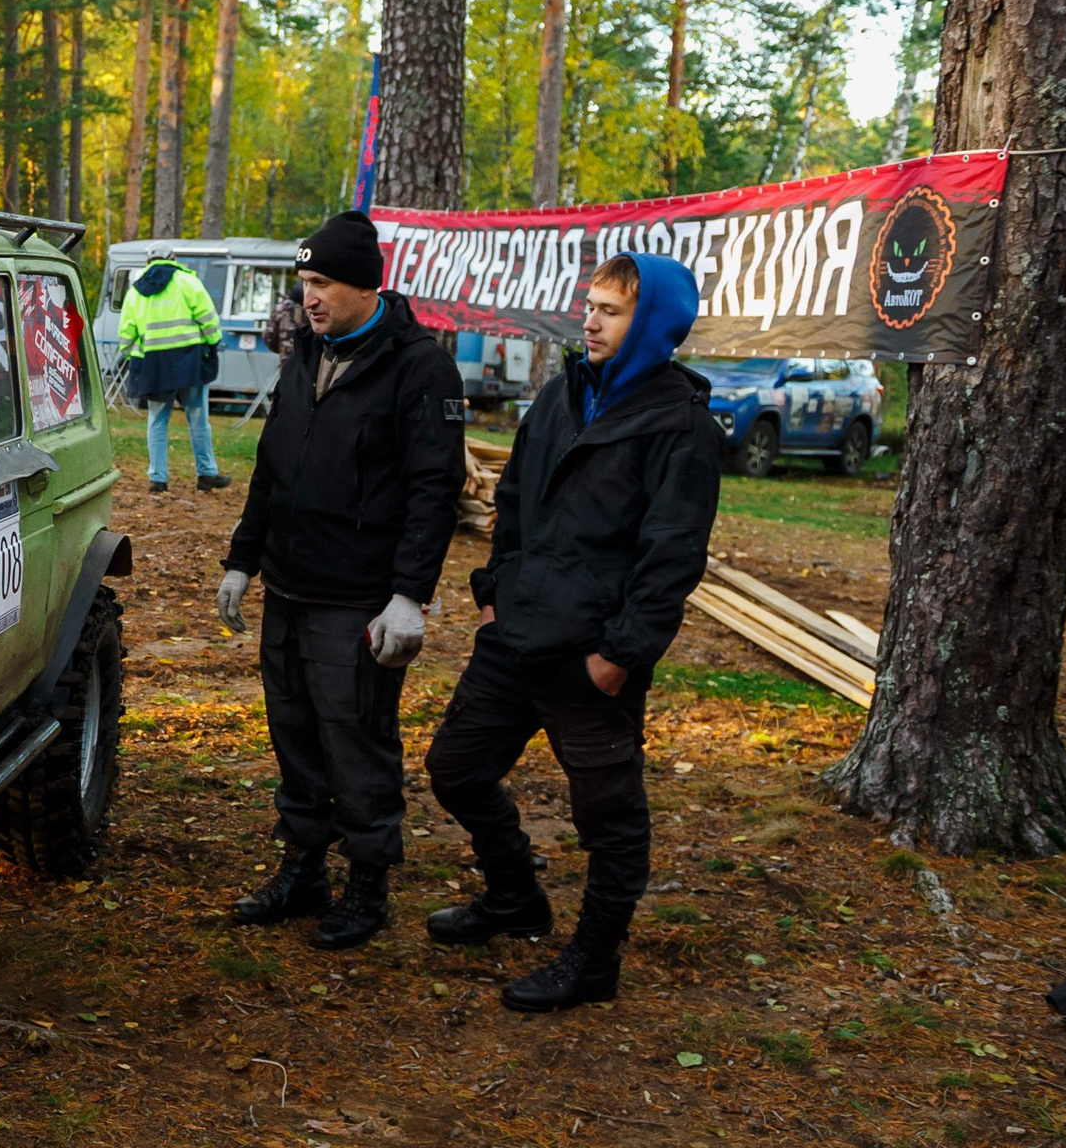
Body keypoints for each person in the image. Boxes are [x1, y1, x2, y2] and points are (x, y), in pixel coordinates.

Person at [421, 251, 723, 1012]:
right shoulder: (560, 395)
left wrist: (618, 657)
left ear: (651, 323)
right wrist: (494, 593)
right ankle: (515, 894)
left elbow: (672, 556)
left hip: (589, 657)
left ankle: (594, 959)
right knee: (455, 768)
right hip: (515, 636)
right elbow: (514, 502)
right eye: (589, 305)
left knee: (609, 820)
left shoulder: (679, 425)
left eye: (611, 310)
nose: (590, 319)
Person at [216, 214, 467, 949]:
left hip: (356, 600)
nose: (310, 297)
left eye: (322, 282)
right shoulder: (307, 354)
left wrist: (409, 593)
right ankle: (304, 868)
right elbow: (273, 463)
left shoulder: (419, 368)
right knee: (293, 735)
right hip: (288, 588)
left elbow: (434, 488)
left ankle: (367, 884)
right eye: (304, 282)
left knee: (355, 741)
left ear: (366, 283)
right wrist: (242, 557)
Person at [117, 254, 231, 494]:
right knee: (199, 420)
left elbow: (126, 333)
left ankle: (158, 480)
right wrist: (212, 342)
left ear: (148, 261)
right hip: (189, 362)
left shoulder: (136, 290)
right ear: (173, 258)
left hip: (155, 366)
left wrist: (131, 355)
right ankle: (207, 474)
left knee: (157, 421)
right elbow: (208, 318)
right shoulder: (188, 281)